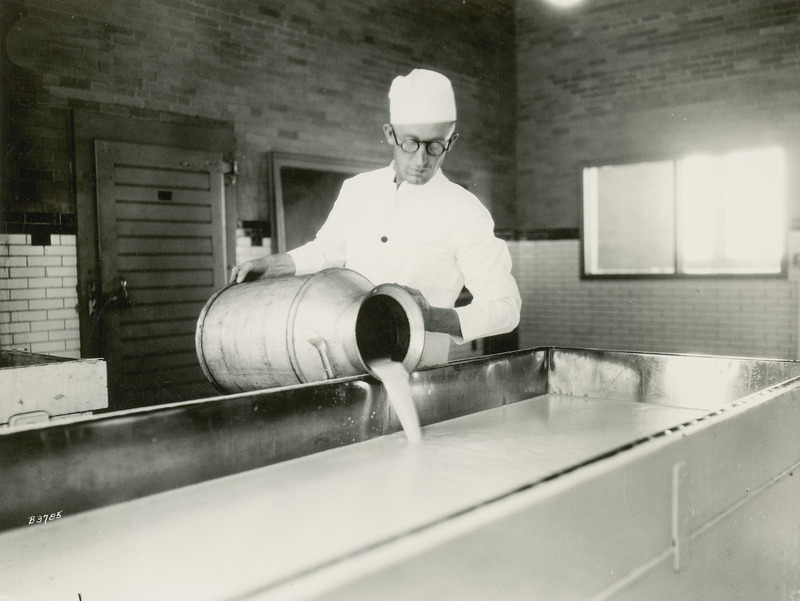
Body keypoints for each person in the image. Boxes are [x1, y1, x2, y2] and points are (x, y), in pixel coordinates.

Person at [230, 68, 521, 366]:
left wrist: (430, 317)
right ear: (389, 134)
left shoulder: (465, 211)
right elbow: (327, 250)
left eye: (436, 146)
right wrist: (271, 265)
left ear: (452, 140)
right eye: (410, 143)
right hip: (349, 361)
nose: (422, 160)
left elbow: (506, 308)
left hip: (419, 373)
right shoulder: (358, 190)